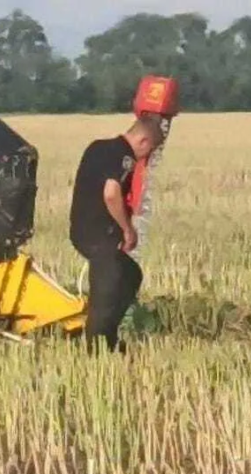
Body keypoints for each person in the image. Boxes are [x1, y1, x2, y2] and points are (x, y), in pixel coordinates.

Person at [69, 114, 165, 354]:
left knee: (131, 274)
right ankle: (95, 349)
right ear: (143, 141)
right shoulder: (124, 156)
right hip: (98, 234)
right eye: (150, 150)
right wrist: (127, 229)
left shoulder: (98, 147)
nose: (147, 157)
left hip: (83, 229)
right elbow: (111, 194)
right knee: (106, 291)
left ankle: (108, 337)